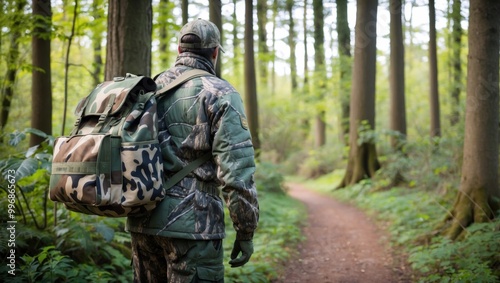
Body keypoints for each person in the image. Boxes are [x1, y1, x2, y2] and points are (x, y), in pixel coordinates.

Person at [126, 18, 259, 283]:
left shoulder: (148, 88)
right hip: (195, 227)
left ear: (179, 51)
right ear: (214, 52)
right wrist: (245, 230)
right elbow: (236, 171)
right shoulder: (220, 93)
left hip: (142, 222)